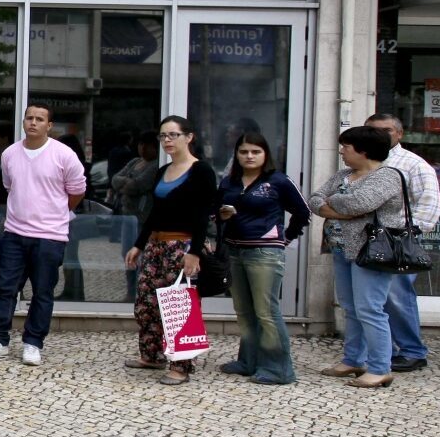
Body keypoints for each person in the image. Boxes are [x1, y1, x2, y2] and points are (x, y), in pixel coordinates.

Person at [0, 105, 86, 366]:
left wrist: (59, 210)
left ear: (49, 125)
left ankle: (33, 342)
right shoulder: (10, 154)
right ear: (23, 122)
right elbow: (11, 186)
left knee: (43, 291)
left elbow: (78, 189)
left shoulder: (63, 155)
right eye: (29, 118)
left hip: (50, 235)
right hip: (14, 232)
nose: (33, 122)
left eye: (40, 119)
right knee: (5, 288)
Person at [309, 126, 408, 389]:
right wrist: (341, 210)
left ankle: (380, 368)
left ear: (363, 150)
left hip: (371, 252)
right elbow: (315, 199)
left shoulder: (387, 177)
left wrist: (334, 205)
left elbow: (360, 204)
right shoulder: (343, 175)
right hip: (341, 249)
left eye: (346, 147)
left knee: (370, 309)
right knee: (350, 308)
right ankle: (353, 359)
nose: (341, 151)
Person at [122, 116, 218, 385]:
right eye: (163, 136)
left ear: (189, 137)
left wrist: (195, 251)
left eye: (173, 135)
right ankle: (151, 355)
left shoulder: (201, 171)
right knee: (147, 304)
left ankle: (181, 365)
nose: (167, 140)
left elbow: (203, 214)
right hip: (156, 243)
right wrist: (139, 244)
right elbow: (155, 212)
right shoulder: (161, 171)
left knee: (179, 306)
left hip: (183, 244)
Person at [214, 132, 309, 385]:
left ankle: (279, 370)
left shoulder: (278, 181)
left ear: (265, 154)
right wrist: (221, 216)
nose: (249, 156)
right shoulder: (229, 182)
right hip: (234, 250)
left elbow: (303, 212)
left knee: (266, 312)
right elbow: (215, 211)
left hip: (265, 252)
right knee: (244, 311)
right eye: (244, 151)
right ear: (236, 154)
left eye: (255, 151)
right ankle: (248, 361)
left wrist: (285, 238)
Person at [365, 113, 440, 373]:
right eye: (372, 130)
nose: (379, 135)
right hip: (366, 240)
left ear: (399, 134)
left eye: (385, 130)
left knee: (397, 296)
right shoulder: (362, 161)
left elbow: (430, 204)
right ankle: (385, 350)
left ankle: (412, 351)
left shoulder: (412, 164)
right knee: (372, 299)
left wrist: (407, 234)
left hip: (396, 240)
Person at [111, 131, 161, 301]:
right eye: (140, 145)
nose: (142, 149)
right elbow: (115, 179)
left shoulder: (156, 165)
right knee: (127, 253)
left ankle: (141, 292)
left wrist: (127, 184)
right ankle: (130, 291)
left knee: (141, 255)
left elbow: (138, 185)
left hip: (143, 217)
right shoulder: (135, 162)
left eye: (146, 145)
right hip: (127, 215)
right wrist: (127, 183)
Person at [57, 133, 93, 302]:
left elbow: (79, 192)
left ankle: (76, 291)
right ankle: (70, 290)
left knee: (71, 256)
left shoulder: (77, 167)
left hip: (74, 216)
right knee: (69, 256)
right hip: (71, 215)